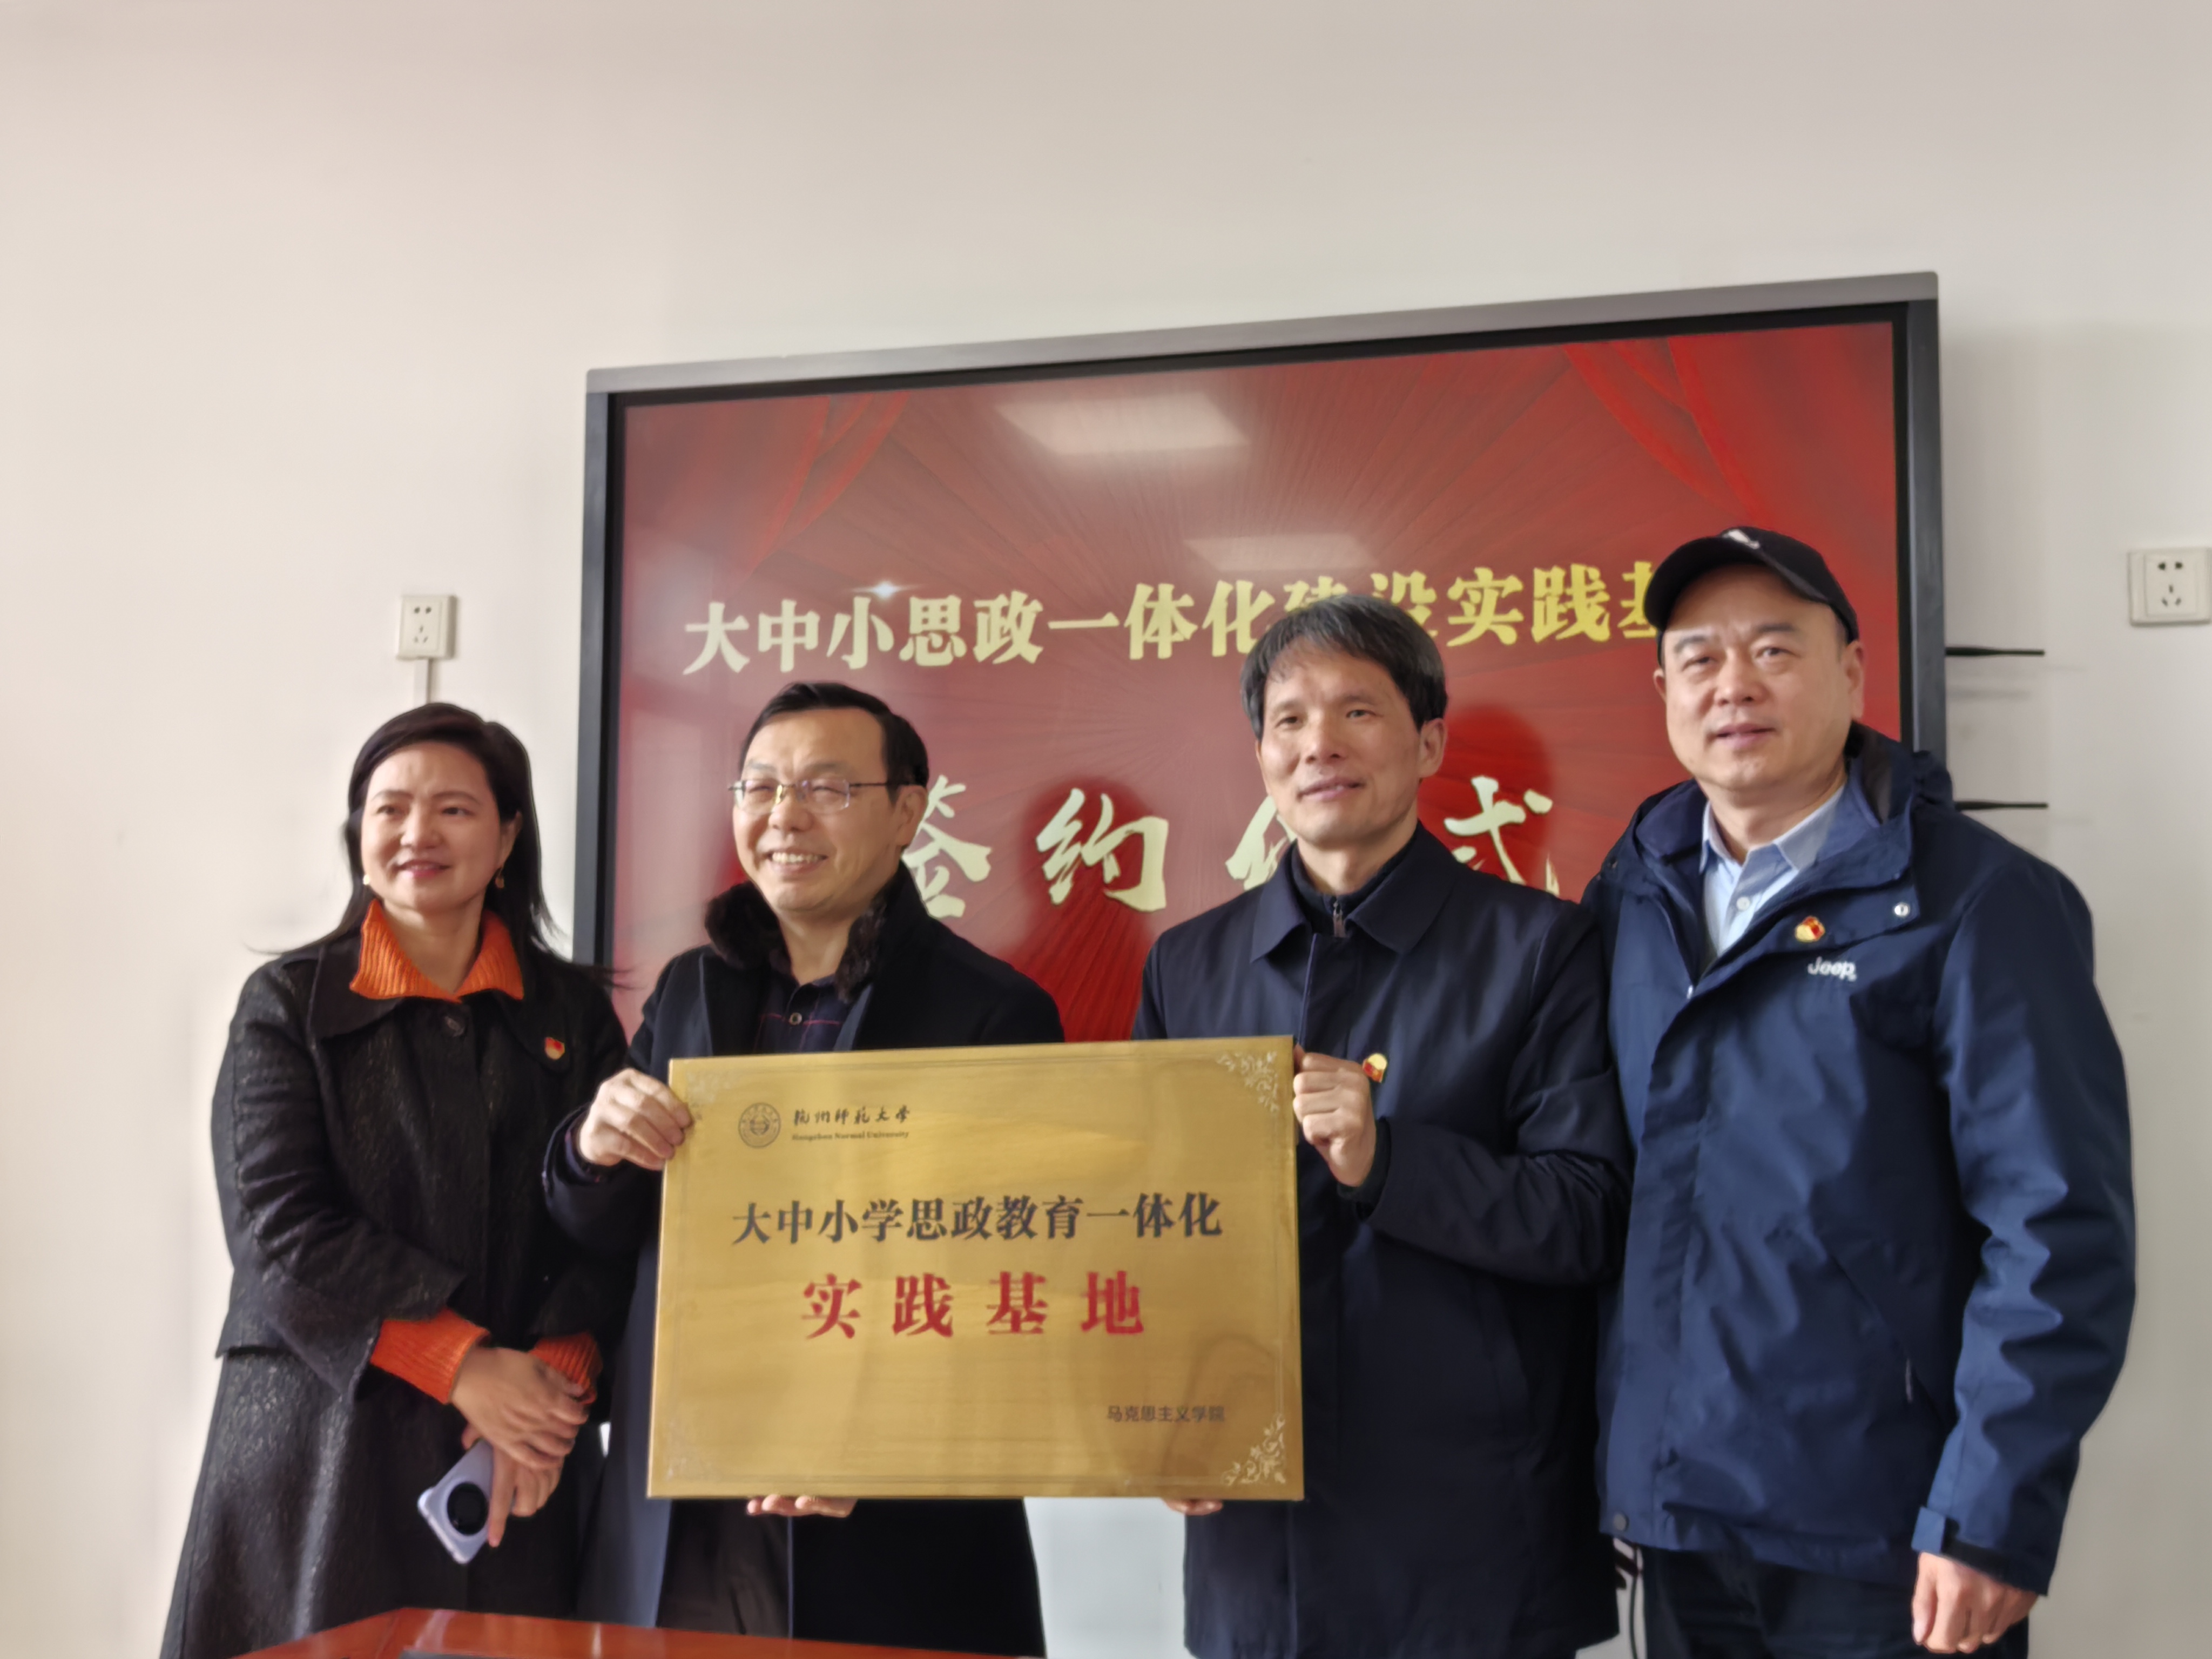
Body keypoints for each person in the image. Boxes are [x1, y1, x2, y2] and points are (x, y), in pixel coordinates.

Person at [1584, 528, 2136, 1659]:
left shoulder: (1978, 904)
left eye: (1773, 649)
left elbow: (2057, 1231)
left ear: (1852, 672)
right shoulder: (1631, 893)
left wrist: (1988, 1515)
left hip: (1888, 1535)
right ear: (1663, 691)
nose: (1733, 685)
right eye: (1698, 658)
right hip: (1681, 1524)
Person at [1131, 595, 1631, 1659]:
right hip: (1255, 1539)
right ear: (1261, 755)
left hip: (1470, 1533)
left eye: (1357, 711)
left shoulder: (1541, 948)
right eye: (1289, 719)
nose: (1319, 744)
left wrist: (1386, 1160)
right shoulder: (1188, 964)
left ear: (1429, 742)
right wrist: (1163, 1413)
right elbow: (1152, 1230)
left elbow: (1587, 1214)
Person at [546, 680, 1061, 1655]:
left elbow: (1025, 1283)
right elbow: (607, 1233)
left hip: (889, 1528)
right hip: (685, 1510)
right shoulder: (691, 988)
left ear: (907, 812)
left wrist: (888, 1441)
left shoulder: (992, 1013)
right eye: (761, 787)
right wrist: (591, 1150)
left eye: (826, 788)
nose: (784, 817)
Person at [161, 705, 633, 1659]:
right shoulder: (290, 1004)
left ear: (507, 838)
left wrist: (551, 1399)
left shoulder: (572, 1017)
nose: (418, 833)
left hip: (516, 1465)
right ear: (359, 834)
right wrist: (462, 1366)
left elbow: (617, 1224)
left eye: (454, 809)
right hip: (322, 1456)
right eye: (390, 809)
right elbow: (279, 1230)